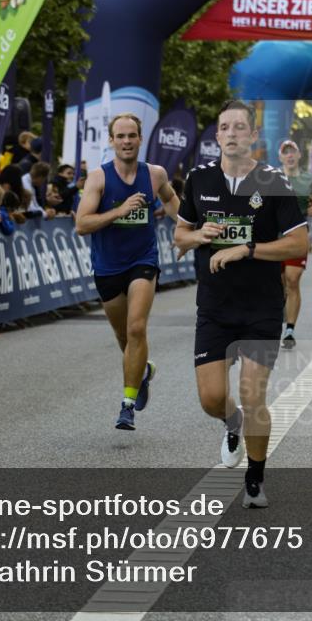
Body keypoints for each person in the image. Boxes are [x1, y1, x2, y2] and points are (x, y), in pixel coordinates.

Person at [174, 100, 308, 509]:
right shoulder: (198, 179)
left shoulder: (275, 183)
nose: (231, 133)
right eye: (224, 127)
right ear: (217, 136)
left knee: (253, 396)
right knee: (212, 399)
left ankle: (255, 477)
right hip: (214, 305)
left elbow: (299, 243)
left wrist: (246, 248)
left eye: (239, 127)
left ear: (253, 136)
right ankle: (230, 425)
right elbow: (180, 236)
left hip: (261, 307)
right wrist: (199, 237)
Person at [75, 113, 180, 431]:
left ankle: (127, 405)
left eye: (131, 135)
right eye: (120, 136)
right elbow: (82, 224)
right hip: (107, 266)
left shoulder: (155, 174)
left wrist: (192, 228)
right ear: (111, 140)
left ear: (140, 138)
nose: (126, 141)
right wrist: (119, 211)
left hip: (143, 260)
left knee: (136, 329)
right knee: (123, 336)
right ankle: (142, 371)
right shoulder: (98, 178)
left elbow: (172, 201)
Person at [277, 139, 312, 348]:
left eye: (292, 152)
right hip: (274, 235)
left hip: (298, 234)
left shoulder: (308, 179)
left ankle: (289, 329)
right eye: (285, 152)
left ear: (298, 156)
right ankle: (280, 309)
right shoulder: (271, 178)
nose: (289, 155)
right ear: (281, 157)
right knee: (279, 283)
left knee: (292, 279)